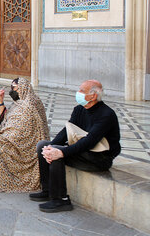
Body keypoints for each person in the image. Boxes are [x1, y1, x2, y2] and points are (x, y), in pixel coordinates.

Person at [29, 80, 121, 213]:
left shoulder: (106, 114)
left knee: (58, 152)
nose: (78, 93)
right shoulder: (79, 109)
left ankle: (61, 200)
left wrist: (62, 152)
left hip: (99, 158)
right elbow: (66, 131)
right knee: (43, 145)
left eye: (82, 91)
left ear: (93, 96)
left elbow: (89, 141)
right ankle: (47, 190)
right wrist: (50, 146)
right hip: (83, 152)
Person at [0, 78, 49, 192]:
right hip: (15, 136)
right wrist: (1, 100)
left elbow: (21, 131)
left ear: (22, 88)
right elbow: (7, 119)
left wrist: (0, 133)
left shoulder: (29, 104)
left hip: (28, 144)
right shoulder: (20, 102)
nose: (11, 90)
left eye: (14, 87)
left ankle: (4, 180)